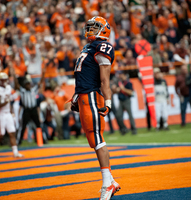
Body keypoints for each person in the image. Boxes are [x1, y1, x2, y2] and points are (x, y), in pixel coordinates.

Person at [69, 16, 120, 200]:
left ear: (104, 29)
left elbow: (105, 80)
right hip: (84, 95)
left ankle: (107, 184)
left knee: (97, 137)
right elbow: (83, 74)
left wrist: (108, 103)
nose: (90, 30)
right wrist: (76, 95)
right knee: (92, 139)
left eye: (95, 27)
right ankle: (111, 180)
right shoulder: (88, 47)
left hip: (92, 96)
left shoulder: (103, 47)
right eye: (89, 27)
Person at [0, 72, 23, 160]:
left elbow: (9, 101)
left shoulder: (8, 88)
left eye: (5, 80)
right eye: (2, 80)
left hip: (8, 113)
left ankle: (15, 152)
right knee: (1, 134)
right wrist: (9, 99)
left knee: (12, 132)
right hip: (0, 114)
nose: (4, 82)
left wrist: (12, 112)